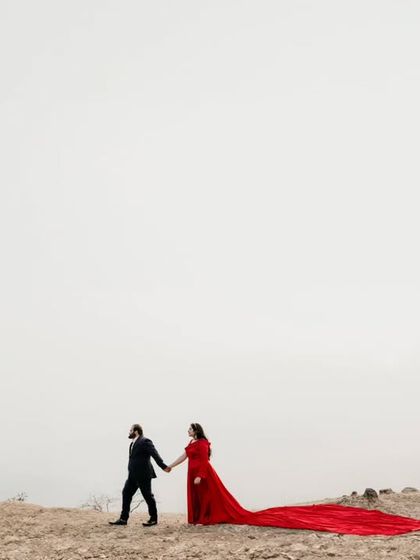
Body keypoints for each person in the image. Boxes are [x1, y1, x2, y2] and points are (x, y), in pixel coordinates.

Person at [167, 422, 420, 536]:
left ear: (196, 430)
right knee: (199, 499)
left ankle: (205, 520)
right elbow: (184, 456)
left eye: (190, 428)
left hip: (203, 476)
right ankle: (200, 519)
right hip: (193, 474)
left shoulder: (201, 443)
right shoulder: (191, 443)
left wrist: (199, 476)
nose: (187, 431)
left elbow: (203, 461)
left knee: (209, 498)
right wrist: (170, 466)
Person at [109, 424, 170, 527]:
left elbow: (155, 454)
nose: (129, 432)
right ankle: (123, 518)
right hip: (132, 476)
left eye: (130, 430)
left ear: (136, 431)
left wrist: (163, 466)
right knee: (126, 493)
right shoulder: (132, 443)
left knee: (147, 496)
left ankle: (153, 519)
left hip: (143, 475)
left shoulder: (145, 441)